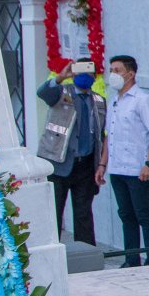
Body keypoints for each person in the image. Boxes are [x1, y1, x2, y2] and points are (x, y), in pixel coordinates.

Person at [96, 55, 149, 267]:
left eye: (117, 70)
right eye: (111, 70)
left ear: (130, 74)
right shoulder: (114, 100)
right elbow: (110, 135)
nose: (112, 74)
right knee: (126, 215)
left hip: (137, 168)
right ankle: (131, 259)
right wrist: (102, 164)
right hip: (117, 169)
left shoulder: (142, 99)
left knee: (144, 214)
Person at [36, 58, 105, 246]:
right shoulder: (61, 92)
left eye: (89, 73)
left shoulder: (98, 100)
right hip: (58, 163)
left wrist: (100, 164)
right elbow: (42, 93)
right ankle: (52, 253)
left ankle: (87, 253)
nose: (85, 77)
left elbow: (101, 135)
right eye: (81, 72)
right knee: (55, 212)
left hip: (85, 165)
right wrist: (60, 77)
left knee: (83, 213)